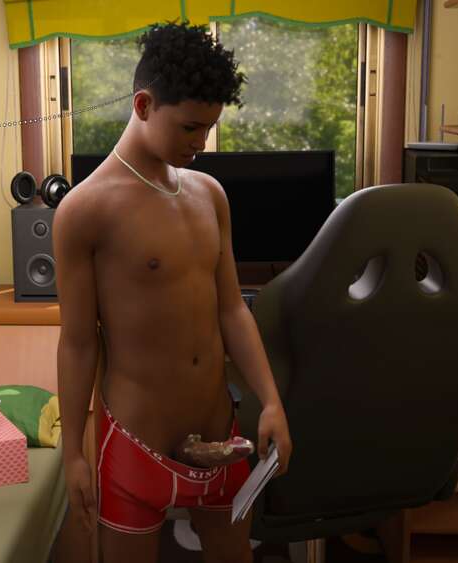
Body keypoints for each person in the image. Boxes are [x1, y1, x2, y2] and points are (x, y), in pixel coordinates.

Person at [53, 21, 293, 563]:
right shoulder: (85, 210)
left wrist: (271, 401)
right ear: (143, 105)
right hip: (136, 444)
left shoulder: (209, 194)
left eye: (209, 128)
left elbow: (232, 311)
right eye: (189, 127)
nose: (200, 143)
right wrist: (73, 455)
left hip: (220, 437)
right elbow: (78, 343)